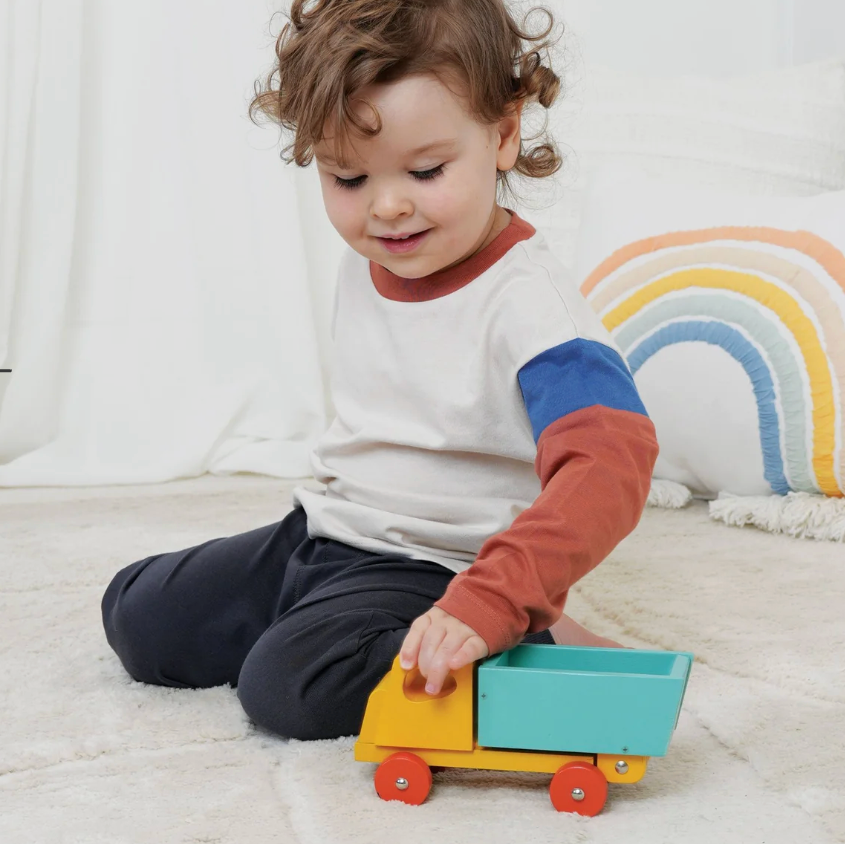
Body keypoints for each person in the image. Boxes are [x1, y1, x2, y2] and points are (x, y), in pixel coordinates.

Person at [101, 0, 659, 742]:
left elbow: (611, 464)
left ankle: (523, 642)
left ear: (503, 134)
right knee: (138, 614)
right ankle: (329, 621)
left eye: (425, 171)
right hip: (322, 535)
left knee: (288, 688)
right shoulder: (375, 261)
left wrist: (492, 599)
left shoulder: (531, 306)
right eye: (348, 178)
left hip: (438, 569)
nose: (388, 207)